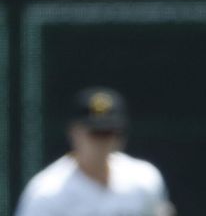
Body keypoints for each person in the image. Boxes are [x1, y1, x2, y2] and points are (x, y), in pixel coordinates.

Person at [15, 86, 175, 216]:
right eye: (95, 133)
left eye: (109, 132)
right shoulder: (47, 192)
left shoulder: (144, 178)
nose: (102, 142)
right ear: (74, 132)